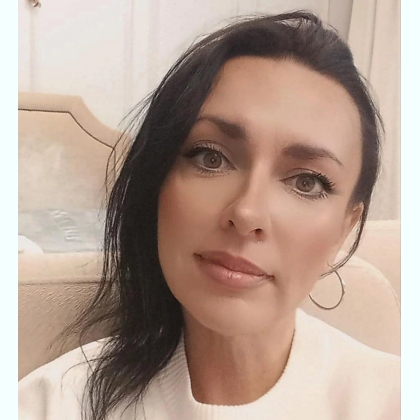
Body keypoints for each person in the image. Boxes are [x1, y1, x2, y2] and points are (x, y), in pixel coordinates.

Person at [18, 10, 400, 420]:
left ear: (345, 226)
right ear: (157, 178)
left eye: (307, 182)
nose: (247, 212)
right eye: (210, 157)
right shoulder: (52, 404)